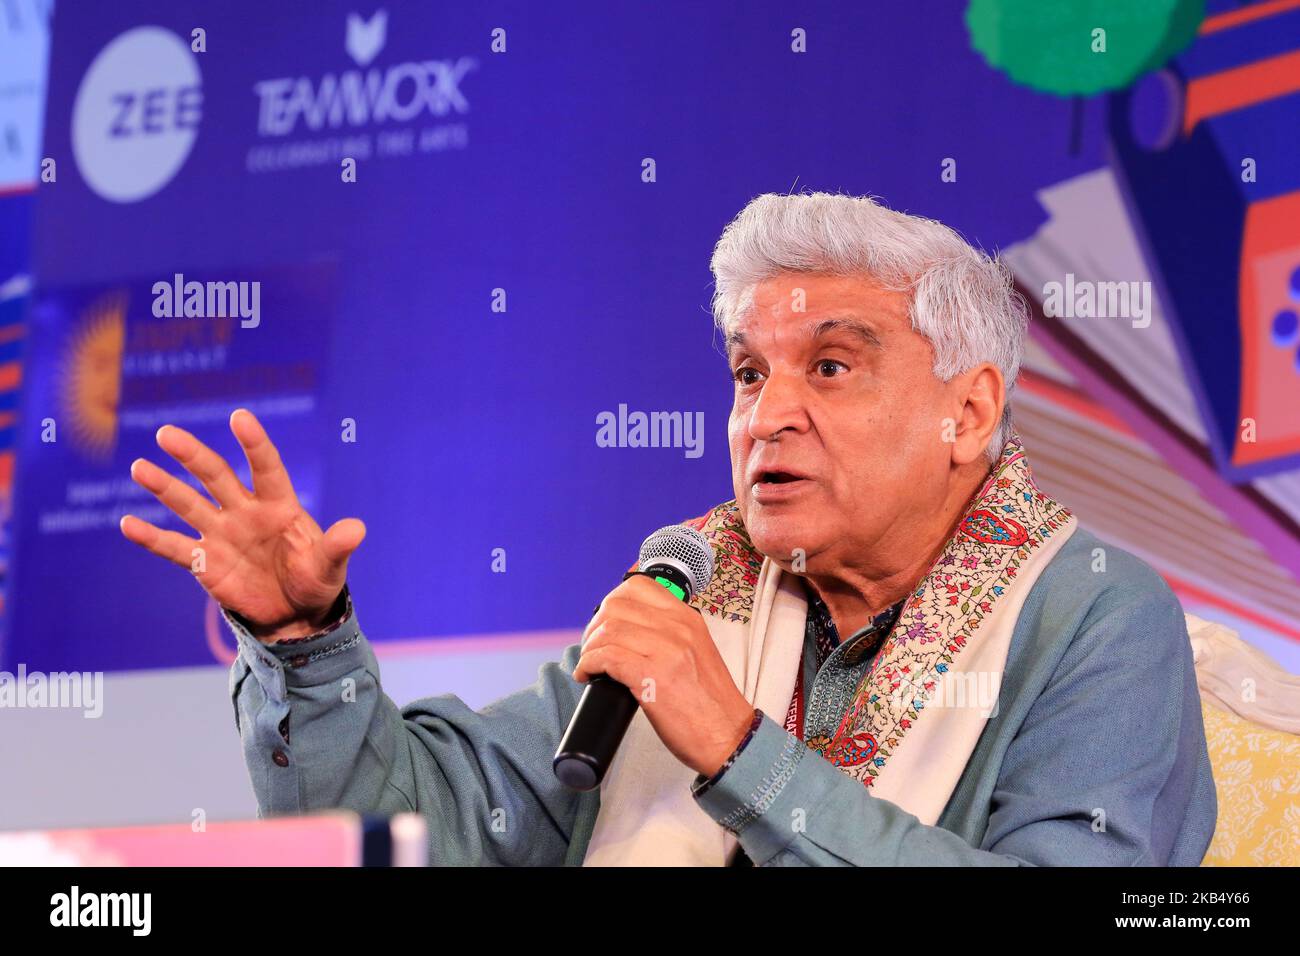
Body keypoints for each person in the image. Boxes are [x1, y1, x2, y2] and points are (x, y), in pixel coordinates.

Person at [121, 191, 1217, 866]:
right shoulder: (694, 581)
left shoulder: (1096, 616)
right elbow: (417, 833)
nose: (767, 413)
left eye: (829, 366)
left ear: (966, 412)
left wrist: (740, 750)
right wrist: (306, 648)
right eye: (749, 372)